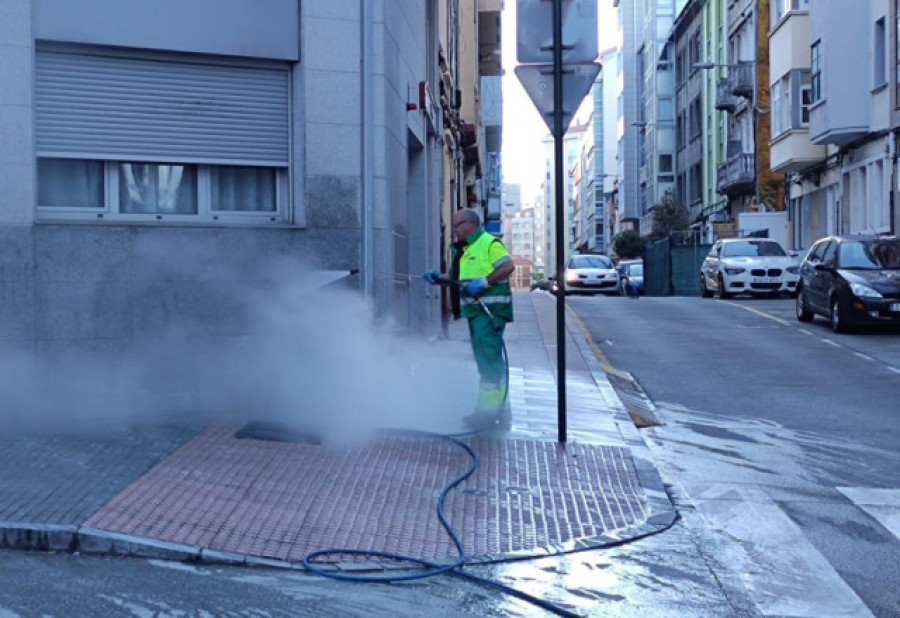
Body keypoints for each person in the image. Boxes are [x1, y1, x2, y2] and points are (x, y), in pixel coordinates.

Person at [423, 208, 515, 429]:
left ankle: (486, 413)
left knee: (488, 363)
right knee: (492, 362)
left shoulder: (489, 243)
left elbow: (508, 266)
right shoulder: (467, 249)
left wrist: (483, 283)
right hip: (478, 314)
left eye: (456, 225)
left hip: (489, 312)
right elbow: (462, 281)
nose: (454, 230)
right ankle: (502, 410)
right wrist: (440, 279)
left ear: (469, 224)